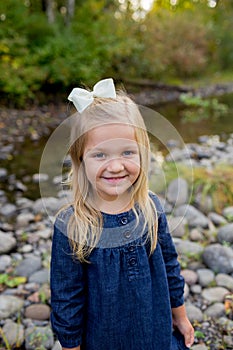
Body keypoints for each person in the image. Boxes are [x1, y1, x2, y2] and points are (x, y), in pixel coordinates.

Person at [50, 78, 194, 350]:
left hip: (156, 334)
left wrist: (181, 316)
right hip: (104, 340)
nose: (115, 166)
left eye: (127, 152)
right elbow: (66, 296)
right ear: (80, 160)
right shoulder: (73, 224)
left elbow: (170, 267)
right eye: (100, 155)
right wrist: (70, 345)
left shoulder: (150, 208)